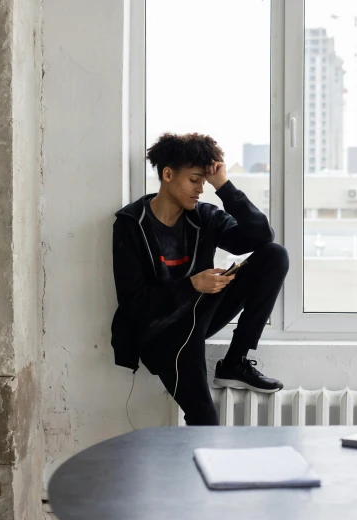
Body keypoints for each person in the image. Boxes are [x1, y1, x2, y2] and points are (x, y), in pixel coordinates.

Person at [111, 132, 288, 426]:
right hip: (162, 334)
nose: (201, 190)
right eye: (195, 180)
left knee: (274, 255)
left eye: (204, 182)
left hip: (200, 314)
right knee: (205, 420)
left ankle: (234, 363)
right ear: (167, 174)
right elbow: (134, 303)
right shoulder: (132, 225)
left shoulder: (203, 217)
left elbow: (261, 236)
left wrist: (224, 185)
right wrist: (192, 284)